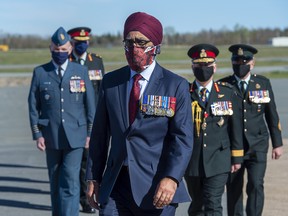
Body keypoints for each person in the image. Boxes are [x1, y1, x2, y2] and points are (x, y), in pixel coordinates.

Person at [85, 12, 193, 216]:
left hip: (156, 186)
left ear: (156, 46)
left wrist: (172, 178)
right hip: (115, 184)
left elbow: (182, 139)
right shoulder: (111, 82)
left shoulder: (175, 85)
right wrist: (93, 177)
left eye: (141, 42)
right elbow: (100, 135)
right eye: (129, 42)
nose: (134, 48)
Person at [28, 27, 95, 216]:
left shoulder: (80, 71)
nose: (60, 54)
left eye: (64, 50)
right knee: (55, 180)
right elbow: (33, 105)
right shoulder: (41, 72)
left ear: (70, 48)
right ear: (50, 48)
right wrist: (37, 134)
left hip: (76, 136)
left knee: (70, 181)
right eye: (56, 50)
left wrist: (90, 133)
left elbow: (90, 105)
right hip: (51, 136)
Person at [218, 44, 284, 216]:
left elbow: (272, 115)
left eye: (244, 60)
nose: (240, 64)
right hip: (233, 147)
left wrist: (277, 143)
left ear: (252, 63)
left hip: (258, 144)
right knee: (233, 188)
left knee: (256, 185)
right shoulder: (223, 86)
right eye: (236, 60)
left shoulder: (262, 83)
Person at [184, 43, 244, 216]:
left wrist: (237, 157)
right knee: (196, 206)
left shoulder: (227, 92)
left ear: (215, 67)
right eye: (199, 65)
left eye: (208, 65)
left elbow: (236, 126)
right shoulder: (185, 93)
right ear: (192, 67)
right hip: (192, 161)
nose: (204, 69)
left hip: (219, 159)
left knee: (213, 204)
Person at [67, 26, 105, 214]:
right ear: (72, 43)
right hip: (74, 120)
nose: (82, 45)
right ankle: (82, 198)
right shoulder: (67, 61)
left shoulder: (96, 62)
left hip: (95, 120)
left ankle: (90, 196)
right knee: (79, 161)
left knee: (92, 159)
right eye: (78, 43)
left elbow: (103, 91)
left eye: (85, 42)